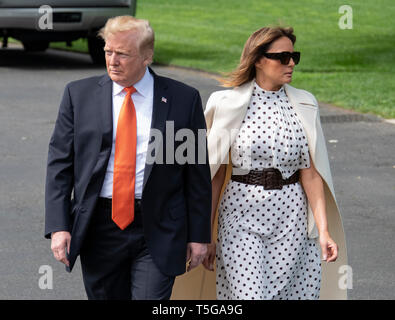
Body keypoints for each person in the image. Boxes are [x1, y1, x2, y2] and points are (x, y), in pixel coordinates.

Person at [171, 26, 347, 300]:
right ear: (257, 59)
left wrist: (324, 231)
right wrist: (205, 232)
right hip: (241, 216)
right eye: (282, 57)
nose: (290, 63)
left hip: (293, 219)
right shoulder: (226, 102)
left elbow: (311, 174)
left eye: (294, 57)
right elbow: (214, 174)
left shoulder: (305, 103)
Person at [44, 15, 212, 300]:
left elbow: (196, 173)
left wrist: (199, 235)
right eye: (108, 51)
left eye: (122, 54)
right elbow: (60, 164)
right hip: (99, 227)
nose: (112, 61)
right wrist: (59, 226)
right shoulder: (78, 95)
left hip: (159, 227)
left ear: (147, 56)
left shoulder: (184, 99)